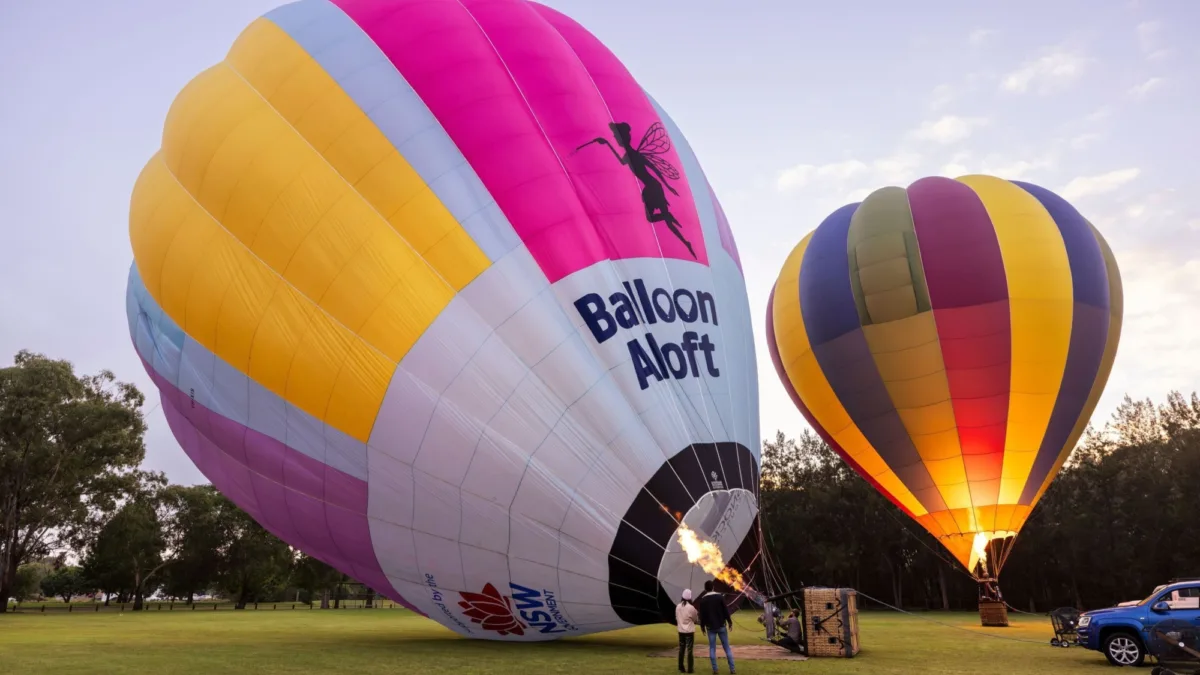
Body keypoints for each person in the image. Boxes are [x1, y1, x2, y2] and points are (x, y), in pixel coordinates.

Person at [696, 580, 736, 674]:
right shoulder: (720, 597)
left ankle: (715, 669)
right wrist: (729, 622)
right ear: (713, 587)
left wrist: (702, 627)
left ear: (705, 589)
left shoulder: (703, 600)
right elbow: (725, 611)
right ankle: (732, 669)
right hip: (721, 625)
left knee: (712, 648)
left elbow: (702, 615)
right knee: (727, 648)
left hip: (710, 628)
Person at [675, 589, 698, 673]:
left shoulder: (678, 606)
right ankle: (690, 669)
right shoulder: (691, 608)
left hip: (681, 631)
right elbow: (695, 619)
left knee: (681, 649)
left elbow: (676, 617)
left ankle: (681, 667)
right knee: (689, 650)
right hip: (689, 631)